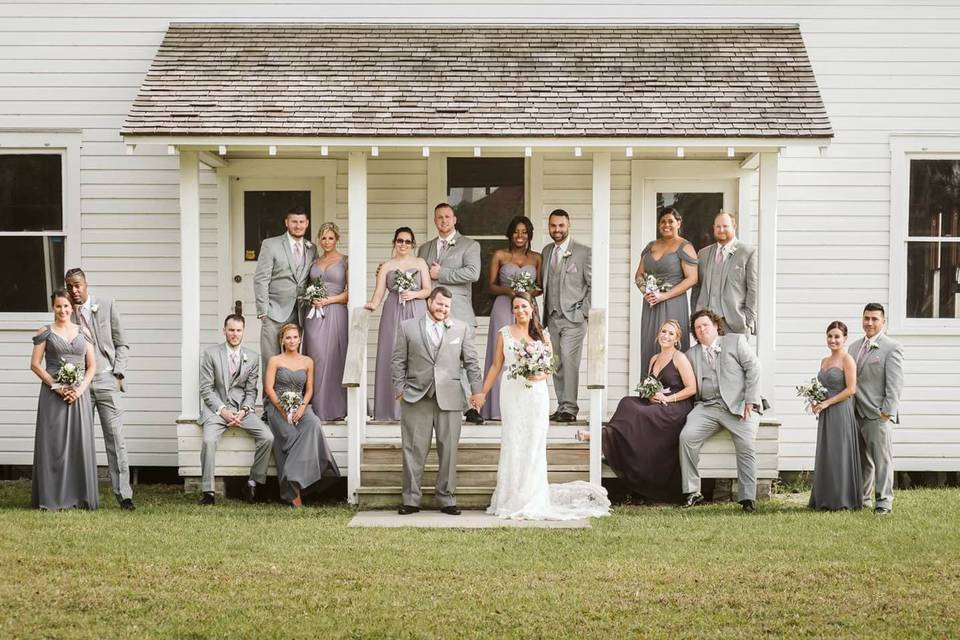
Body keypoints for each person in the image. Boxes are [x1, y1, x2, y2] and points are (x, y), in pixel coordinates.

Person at [478, 292, 609, 520]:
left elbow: (549, 367)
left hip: (536, 395)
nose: (520, 311)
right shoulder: (504, 334)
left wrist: (539, 375)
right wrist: (482, 393)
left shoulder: (542, 336)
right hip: (512, 393)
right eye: (516, 307)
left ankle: (532, 496)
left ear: (532, 309)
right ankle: (510, 496)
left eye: (524, 307)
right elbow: (495, 366)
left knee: (534, 443)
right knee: (513, 440)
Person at [576, 320, 696, 504]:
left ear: (677, 339)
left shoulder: (679, 358)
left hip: (676, 406)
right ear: (658, 334)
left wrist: (668, 399)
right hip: (657, 403)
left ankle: (602, 437)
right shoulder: (654, 359)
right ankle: (608, 437)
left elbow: (691, 389)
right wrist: (650, 397)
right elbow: (650, 387)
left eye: (671, 333)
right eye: (663, 331)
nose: (666, 335)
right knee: (627, 403)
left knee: (643, 415)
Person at [391, 287, 483, 515]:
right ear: (429, 302)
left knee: (449, 449)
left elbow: (471, 362)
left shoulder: (461, 328)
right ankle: (411, 500)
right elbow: (397, 361)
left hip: (450, 397)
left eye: (447, 306)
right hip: (415, 396)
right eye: (439, 304)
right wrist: (399, 389)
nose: (443, 309)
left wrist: (477, 392)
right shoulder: (407, 327)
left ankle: (447, 498)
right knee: (413, 449)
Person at [63, 267, 135, 510]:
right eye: (69, 286)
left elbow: (122, 343)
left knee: (116, 439)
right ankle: (79, 495)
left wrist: (118, 373)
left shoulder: (106, 304)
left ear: (86, 284)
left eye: (77, 285)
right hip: (79, 384)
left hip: (106, 380)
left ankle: (124, 495)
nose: (74, 291)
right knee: (79, 440)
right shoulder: (65, 313)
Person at [679, 309, 762, 513]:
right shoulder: (691, 354)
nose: (701, 330)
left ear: (716, 326)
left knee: (746, 444)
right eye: (697, 328)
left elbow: (754, 368)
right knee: (686, 437)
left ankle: (747, 498)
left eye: (705, 325)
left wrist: (750, 400)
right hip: (707, 406)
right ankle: (692, 491)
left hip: (739, 405)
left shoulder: (735, 341)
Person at [30, 289, 99, 511]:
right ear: (53, 307)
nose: (63, 310)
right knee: (54, 446)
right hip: (53, 396)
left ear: (72, 308)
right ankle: (52, 497)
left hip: (79, 397)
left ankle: (79, 497)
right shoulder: (45, 332)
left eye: (66, 306)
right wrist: (57, 387)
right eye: (58, 306)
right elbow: (35, 364)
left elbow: (92, 366)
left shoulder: (83, 332)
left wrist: (79, 390)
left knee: (79, 444)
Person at [198, 314, 274, 506]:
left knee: (267, 437)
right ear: (224, 331)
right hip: (217, 410)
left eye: (238, 330)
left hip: (241, 410)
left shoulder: (253, 357)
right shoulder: (211, 354)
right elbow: (206, 389)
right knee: (208, 441)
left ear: (243, 332)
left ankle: (252, 483)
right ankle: (208, 492)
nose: (235, 334)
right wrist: (223, 411)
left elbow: (251, 391)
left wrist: (244, 410)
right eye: (231, 330)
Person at [418, 202, 483, 424]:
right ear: (435, 221)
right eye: (439, 217)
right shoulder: (425, 249)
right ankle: (452, 407)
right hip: (432, 314)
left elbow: (473, 273)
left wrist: (441, 272)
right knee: (439, 362)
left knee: (467, 360)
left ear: (454, 219)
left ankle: (473, 407)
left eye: (447, 217)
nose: (444, 221)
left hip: (460, 311)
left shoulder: (470, 245)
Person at [263, 323, 341, 507]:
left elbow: (310, 389)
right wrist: (282, 409)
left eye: (295, 337)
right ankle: (293, 492)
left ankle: (292, 475)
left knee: (313, 423)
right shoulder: (275, 360)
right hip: (277, 407)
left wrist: (302, 406)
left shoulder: (307, 361)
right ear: (282, 340)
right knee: (290, 436)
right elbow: (268, 389)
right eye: (288, 337)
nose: (292, 341)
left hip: (301, 405)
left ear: (300, 339)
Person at [366, 227, 431, 421]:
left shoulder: (420, 263)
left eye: (407, 241)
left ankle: (416, 407)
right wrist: (372, 305)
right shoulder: (387, 265)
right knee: (391, 353)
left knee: (417, 355)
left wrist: (413, 294)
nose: (403, 244)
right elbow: (379, 292)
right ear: (394, 242)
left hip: (416, 309)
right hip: (393, 310)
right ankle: (389, 408)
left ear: (412, 245)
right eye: (400, 241)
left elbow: (428, 289)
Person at [481, 215, 542, 421]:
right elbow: (490, 285)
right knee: (501, 353)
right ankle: (496, 409)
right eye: (516, 231)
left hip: (527, 307)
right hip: (502, 305)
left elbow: (540, 288)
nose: (520, 235)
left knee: (528, 349)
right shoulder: (500, 255)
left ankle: (524, 406)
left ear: (530, 235)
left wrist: (526, 293)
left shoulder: (536, 258)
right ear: (510, 233)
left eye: (524, 232)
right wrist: (510, 291)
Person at [847, 303, 904, 514]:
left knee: (882, 461)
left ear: (883, 322)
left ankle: (884, 503)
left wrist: (887, 412)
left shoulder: (892, 348)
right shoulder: (853, 347)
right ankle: (863, 500)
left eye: (874, 319)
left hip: (878, 415)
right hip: (855, 413)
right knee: (863, 462)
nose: (869, 323)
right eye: (866, 318)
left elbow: (895, 384)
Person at [539, 209, 591, 423]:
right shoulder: (546, 251)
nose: (557, 230)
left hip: (573, 318)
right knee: (557, 362)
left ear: (568, 226)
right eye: (553, 226)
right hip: (552, 317)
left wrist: (582, 311)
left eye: (561, 225)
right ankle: (562, 406)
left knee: (570, 361)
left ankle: (570, 407)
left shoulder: (583, 252)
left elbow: (593, 286)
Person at [254, 205, 316, 379]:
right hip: (273, 312)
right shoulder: (271, 245)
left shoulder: (312, 248)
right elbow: (261, 279)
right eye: (294, 221)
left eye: (301, 222)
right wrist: (263, 312)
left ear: (307, 223)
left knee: (293, 362)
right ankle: (269, 405)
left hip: (300, 312)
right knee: (271, 360)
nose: (298, 225)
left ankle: (291, 401)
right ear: (286, 222)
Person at [809, 321, 863, 511]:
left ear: (845, 339)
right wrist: (815, 401)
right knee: (827, 452)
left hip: (840, 411)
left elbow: (851, 389)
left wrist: (827, 403)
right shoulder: (824, 361)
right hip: (825, 412)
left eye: (837, 336)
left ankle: (842, 500)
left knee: (839, 453)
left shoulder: (847, 360)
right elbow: (822, 388)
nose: (833, 340)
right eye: (830, 336)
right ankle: (824, 499)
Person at [635, 207, 698, 368]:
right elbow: (639, 275)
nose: (666, 225)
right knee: (651, 342)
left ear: (679, 223)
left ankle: (674, 390)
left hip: (673, 303)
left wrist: (664, 295)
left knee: (670, 342)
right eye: (662, 221)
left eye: (670, 221)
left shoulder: (684, 246)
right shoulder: (651, 246)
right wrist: (647, 292)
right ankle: (649, 388)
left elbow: (692, 278)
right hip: (651, 304)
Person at [302, 222, 349, 421]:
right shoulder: (313, 261)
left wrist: (328, 300)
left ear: (337, 239)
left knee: (334, 358)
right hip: (314, 315)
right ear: (319, 240)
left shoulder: (346, 260)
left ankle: (336, 408)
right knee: (316, 357)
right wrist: (311, 297)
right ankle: (316, 406)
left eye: (330, 237)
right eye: (323, 238)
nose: (327, 241)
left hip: (336, 312)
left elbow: (349, 293)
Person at [690, 212, 758, 336]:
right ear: (714, 228)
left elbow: (753, 289)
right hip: (706, 324)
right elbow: (697, 287)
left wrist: (748, 318)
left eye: (725, 226)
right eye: (718, 226)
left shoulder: (747, 252)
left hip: (735, 323)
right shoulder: (703, 254)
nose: (721, 230)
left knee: (733, 356)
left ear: (734, 226)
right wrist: (695, 314)